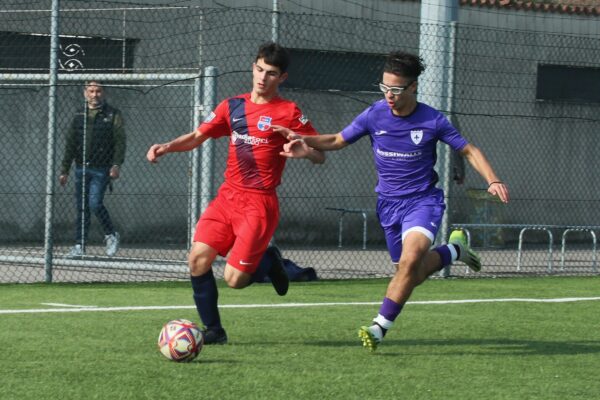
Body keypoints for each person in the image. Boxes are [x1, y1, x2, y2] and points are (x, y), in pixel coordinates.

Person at [275, 51, 509, 351]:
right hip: (388, 205)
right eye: (384, 88)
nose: (389, 95)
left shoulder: (432, 119)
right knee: (410, 272)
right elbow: (336, 141)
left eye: (396, 90)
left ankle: (378, 328)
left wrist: (493, 179)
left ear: (413, 87)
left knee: (410, 263)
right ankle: (454, 250)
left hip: (423, 202)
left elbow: (469, 151)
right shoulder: (374, 114)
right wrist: (302, 139)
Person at [146, 42, 325, 345]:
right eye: (259, 69)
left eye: (271, 73)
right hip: (227, 198)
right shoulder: (232, 106)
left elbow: (320, 154)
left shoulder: (288, 112)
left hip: (259, 204)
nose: (262, 77)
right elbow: (196, 137)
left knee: (235, 281)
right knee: (197, 260)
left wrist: (306, 151)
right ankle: (214, 330)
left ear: (281, 78)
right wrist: (166, 147)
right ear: (253, 67)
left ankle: (269, 260)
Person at [60, 80, 125, 258]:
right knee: (82, 208)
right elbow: (70, 143)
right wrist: (65, 169)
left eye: (98, 91)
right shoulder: (79, 114)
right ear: (85, 93)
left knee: (94, 203)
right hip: (81, 168)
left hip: (102, 168)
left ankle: (111, 235)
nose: (94, 94)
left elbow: (120, 141)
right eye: (91, 91)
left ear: (103, 93)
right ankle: (79, 245)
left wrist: (116, 164)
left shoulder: (112, 114)